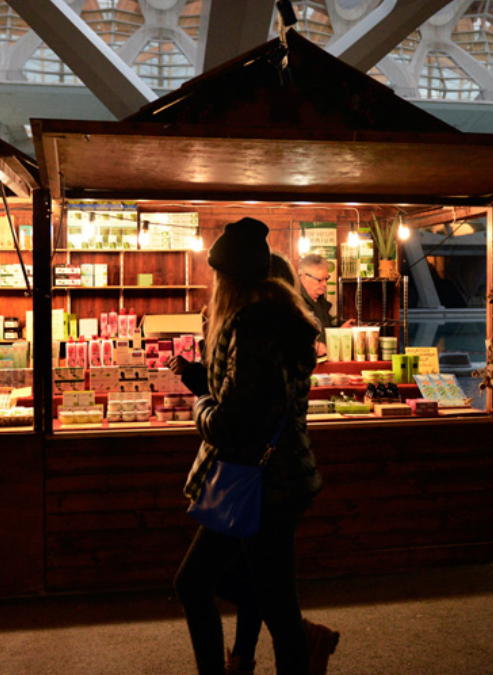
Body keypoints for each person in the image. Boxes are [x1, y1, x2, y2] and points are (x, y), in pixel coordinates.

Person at [175, 219, 336, 675]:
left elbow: (232, 422)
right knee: (267, 595)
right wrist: (207, 384)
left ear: (229, 278)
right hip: (276, 478)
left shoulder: (252, 326)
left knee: (206, 584)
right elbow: (252, 398)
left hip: (260, 480)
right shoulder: (280, 319)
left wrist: (200, 404)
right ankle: (290, 648)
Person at [296, 254, 353, 357]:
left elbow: (323, 336)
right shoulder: (294, 302)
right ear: (304, 277)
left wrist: (339, 333)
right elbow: (286, 339)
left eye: (326, 279)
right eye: (320, 280)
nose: (325, 284)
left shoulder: (321, 301)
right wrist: (313, 346)